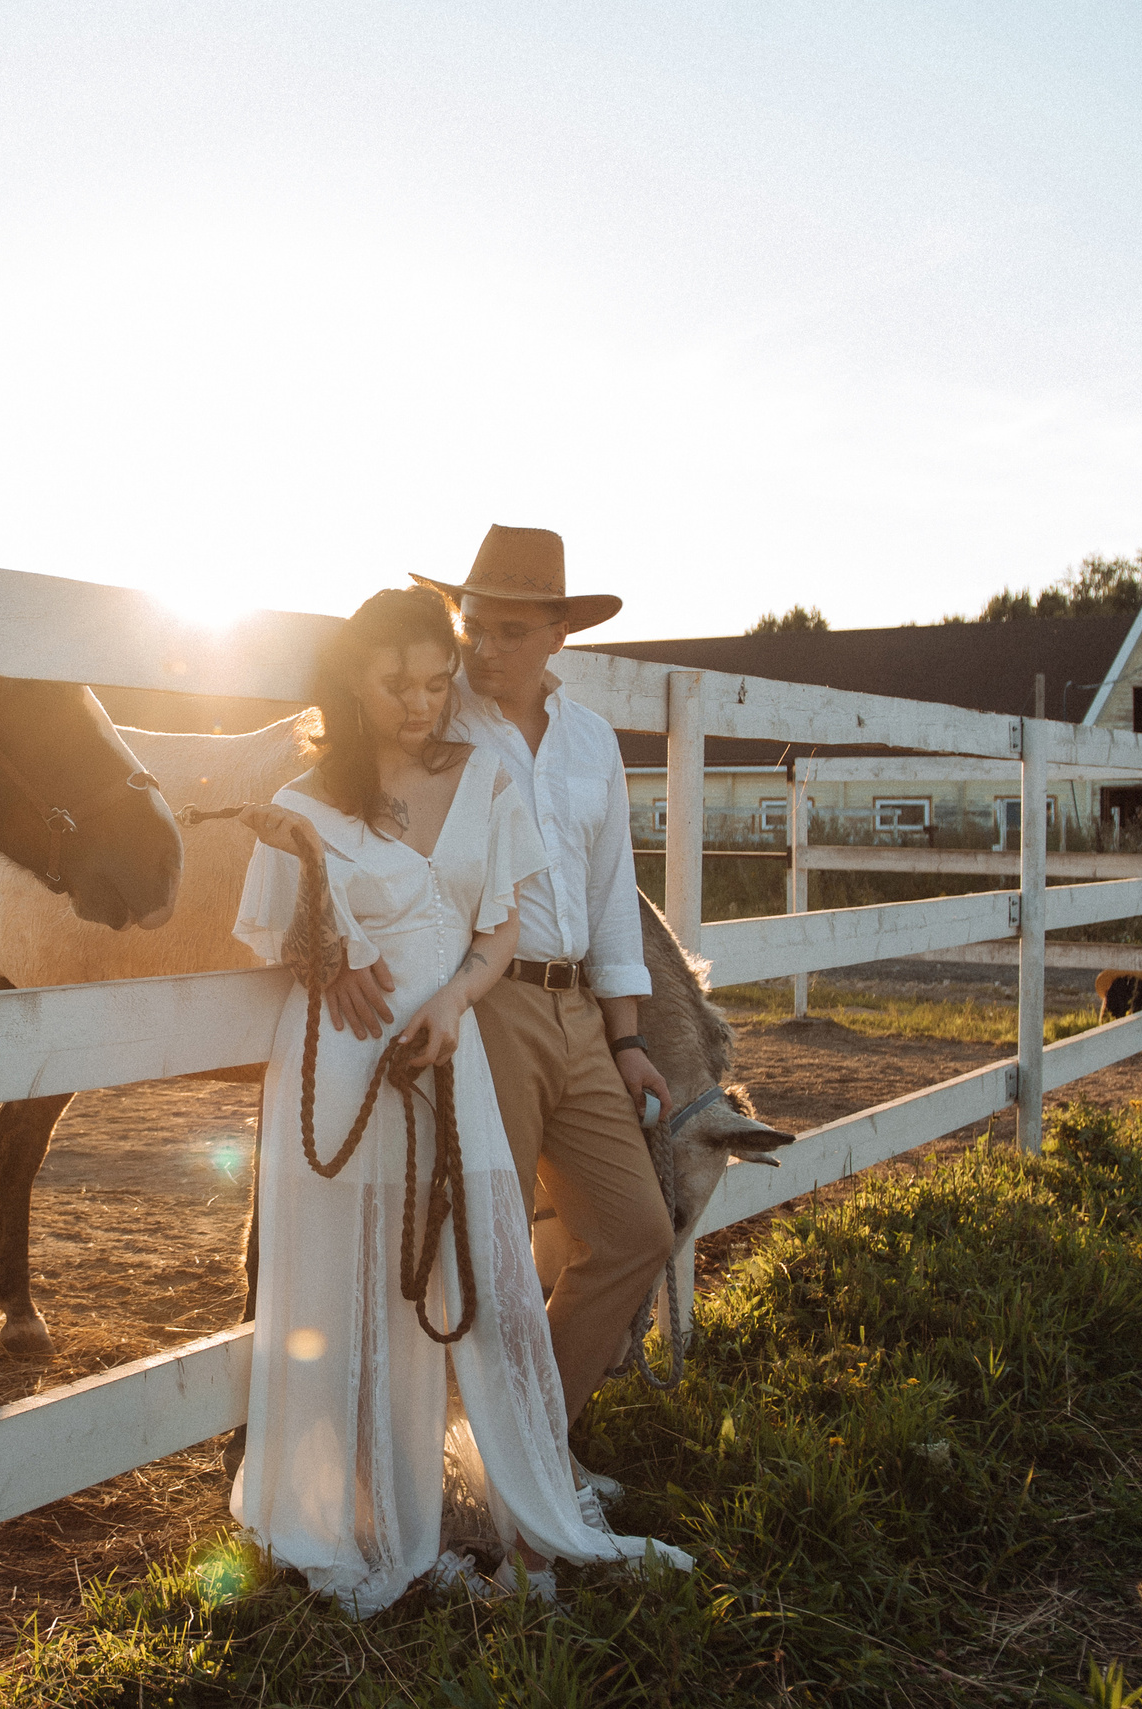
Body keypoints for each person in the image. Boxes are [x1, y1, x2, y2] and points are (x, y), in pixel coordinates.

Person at [229, 586, 690, 1616]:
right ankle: (359, 1521)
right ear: (354, 677)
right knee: (354, 1294)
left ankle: (507, 1495)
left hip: (452, 1054)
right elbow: (266, 934)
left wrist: (452, 1001)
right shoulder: (303, 804)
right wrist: (321, 953)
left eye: (436, 683)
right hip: (342, 1065)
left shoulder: (482, 777)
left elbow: (497, 928)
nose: (422, 701)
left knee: (476, 1271)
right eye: (400, 682)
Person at [311, 525, 674, 1437]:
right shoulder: (436, 717)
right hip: (484, 1001)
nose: (486, 649)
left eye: (513, 631)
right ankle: (459, 1462)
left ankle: (522, 1448)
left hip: (580, 1012)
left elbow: (611, 894)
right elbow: (336, 812)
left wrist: (627, 1038)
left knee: (636, 1234)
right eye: (476, 627)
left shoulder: (592, 741)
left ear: (560, 633)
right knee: (483, 1243)